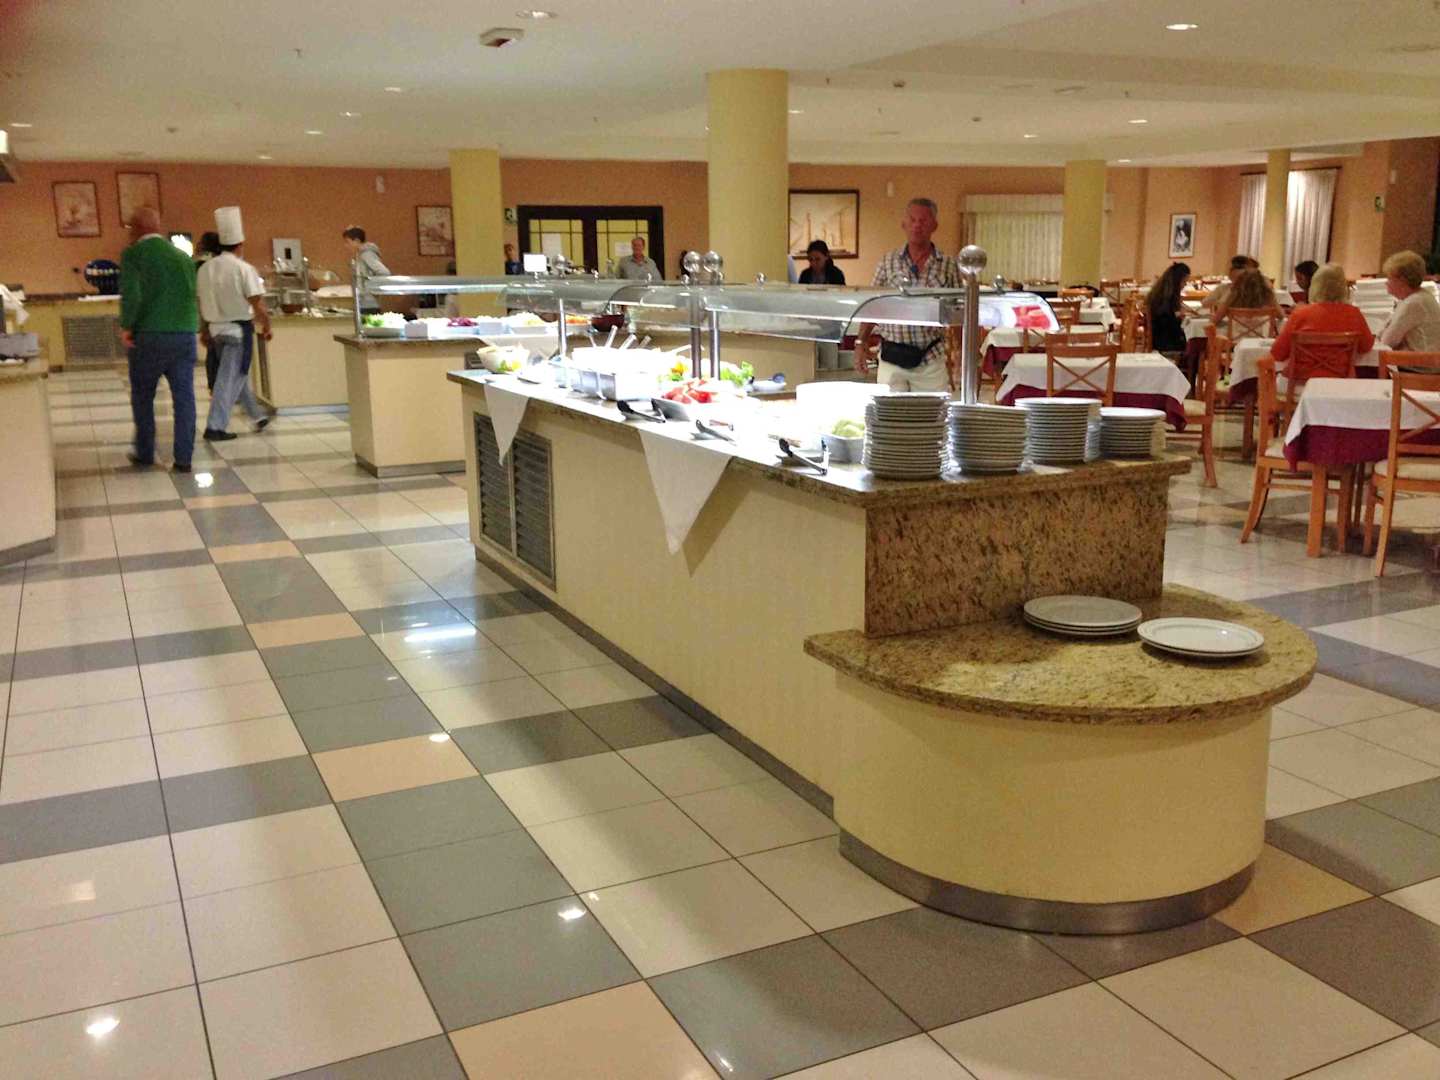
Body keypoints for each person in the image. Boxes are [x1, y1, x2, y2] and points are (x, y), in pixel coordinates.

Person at [119, 207, 199, 471]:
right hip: (184, 335)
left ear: (135, 229)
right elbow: (191, 295)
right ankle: (184, 458)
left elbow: (132, 295)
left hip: (149, 336)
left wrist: (127, 326)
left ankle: (145, 452)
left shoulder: (133, 255)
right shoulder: (183, 257)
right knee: (184, 398)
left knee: (143, 396)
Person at [853, 197, 960, 392]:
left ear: (934, 225)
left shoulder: (948, 265)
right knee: (890, 410)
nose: (917, 225)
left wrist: (961, 352)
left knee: (933, 410)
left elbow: (959, 312)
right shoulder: (888, 262)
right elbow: (872, 306)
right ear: (904, 224)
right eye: (912, 220)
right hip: (892, 359)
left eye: (923, 220)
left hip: (930, 359)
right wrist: (860, 343)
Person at [197, 206, 271, 442]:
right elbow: (257, 303)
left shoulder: (205, 269)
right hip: (237, 332)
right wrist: (267, 325)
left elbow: (200, 302)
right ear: (240, 245)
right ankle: (215, 426)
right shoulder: (243, 268)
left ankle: (257, 416)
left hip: (215, 330)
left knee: (236, 376)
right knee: (227, 380)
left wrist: (203, 330)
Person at [1270, 263, 1373, 368]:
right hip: (1341, 376)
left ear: (1315, 286)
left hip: (1301, 376)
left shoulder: (1300, 314)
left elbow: (1278, 353)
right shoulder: (1354, 314)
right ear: (1344, 288)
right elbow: (1366, 347)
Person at [1379, 250, 1440, 352]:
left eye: (1389, 278)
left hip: (1420, 360)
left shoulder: (1414, 302)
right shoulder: (1421, 296)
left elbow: (1387, 341)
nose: (1386, 283)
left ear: (1402, 281)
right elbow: (1383, 334)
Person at [193, 231, 224, 391]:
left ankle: (214, 385)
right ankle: (220, 386)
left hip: (208, 313)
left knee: (212, 351)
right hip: (223, 313)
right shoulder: (222, 264)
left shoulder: (198, 265)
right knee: (221, 354)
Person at [1145, 262, 1191, 354]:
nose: (1185, 285)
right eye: (1184, 282)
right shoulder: (1166, 298)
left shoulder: (1159, 293)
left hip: (1159, 339)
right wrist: (1179, 317)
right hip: (1166, 343)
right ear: (1177, 281)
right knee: (1196, 344)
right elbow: (1168, 323)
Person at [342, 226, 390, 313]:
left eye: (348, 242)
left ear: (357, 241)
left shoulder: (367, 254)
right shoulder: (360, 255)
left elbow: (384, 272)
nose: (346, 246)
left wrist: (370, 290)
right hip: (364, 302)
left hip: (369, 303)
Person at [1214, 268, 1279, 328]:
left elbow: (1216, 319)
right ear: (1262, 283)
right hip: (1263, 336)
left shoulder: (1234, 296)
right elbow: (1281, 316)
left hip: (1237, 335)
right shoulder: (1268, 296)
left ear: (1240, 282)